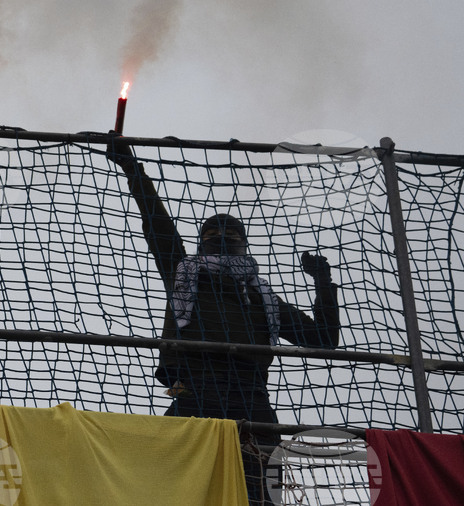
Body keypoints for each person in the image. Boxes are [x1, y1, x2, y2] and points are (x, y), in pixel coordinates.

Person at [106, 136, 341, 505]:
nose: (220, 238)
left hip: (250, 395)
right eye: (212, 234)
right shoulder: (185, 276)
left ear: (242, 245)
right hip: (195, 388)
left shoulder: (261, 298)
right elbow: (157, 224)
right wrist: (132, 168)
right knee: (163, 478)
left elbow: (324, 338)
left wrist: (323, 283)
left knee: (261, 489)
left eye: (230, 235)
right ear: (201, 243)